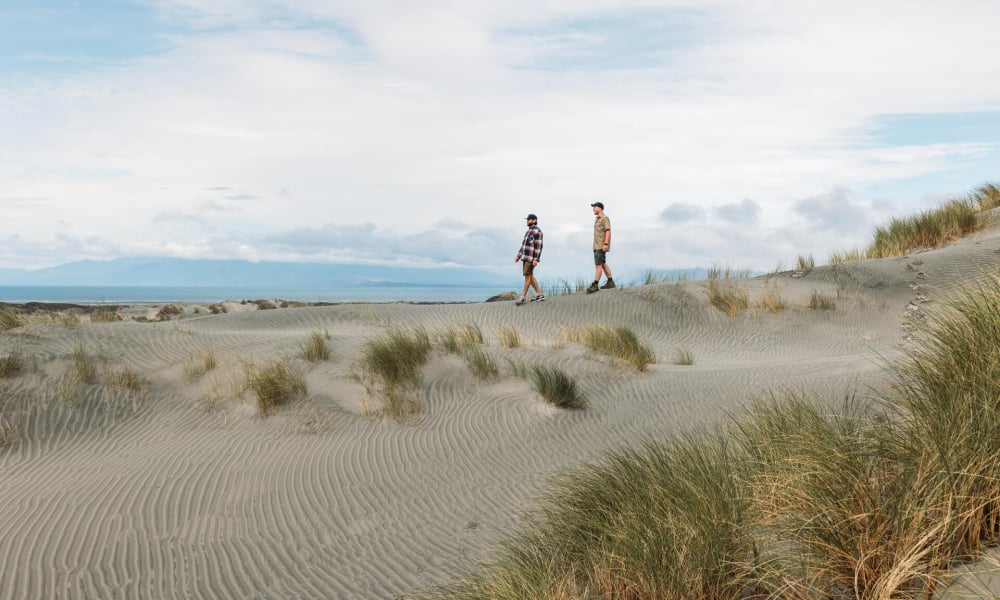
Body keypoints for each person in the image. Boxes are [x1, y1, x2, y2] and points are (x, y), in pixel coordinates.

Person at [514, 213, 544, 305]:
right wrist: (518, 255)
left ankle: (522, 297)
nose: (527, 221)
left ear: (534, 220)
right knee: (530, 276)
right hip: (525, 257)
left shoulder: (537, 232)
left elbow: (539, 247)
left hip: (531, 258)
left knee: (527, 277)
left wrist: (536, 259)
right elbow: (523, 245)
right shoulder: (528, 232)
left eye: (529, 219)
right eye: (527, 220)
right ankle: (540, 295)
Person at [587, 202, 614, 293]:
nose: (593, 209)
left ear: (600, 208)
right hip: (597, 246)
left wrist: (605, 244)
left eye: (594, 207)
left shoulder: (604, 218)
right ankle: (610, 282)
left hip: (601, 246)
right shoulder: (597, 219)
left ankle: (595, 285)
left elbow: (608, 231)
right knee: (602, 264)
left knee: (598, 265)